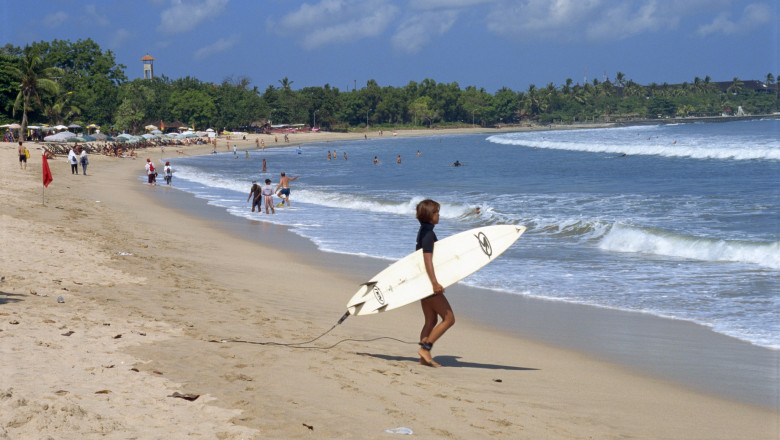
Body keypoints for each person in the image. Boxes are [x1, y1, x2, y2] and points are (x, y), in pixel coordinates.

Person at [415, 199, 454, 367]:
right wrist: (435, 283)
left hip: (422, 282)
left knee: (430, 320)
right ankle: (426, 348)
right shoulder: (428, 234)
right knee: (449, 319)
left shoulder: (423, 230)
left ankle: (423, 359)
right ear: (430, 215)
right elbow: (427, 259)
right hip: (428, 284)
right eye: (437, 212)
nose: (439, 215)